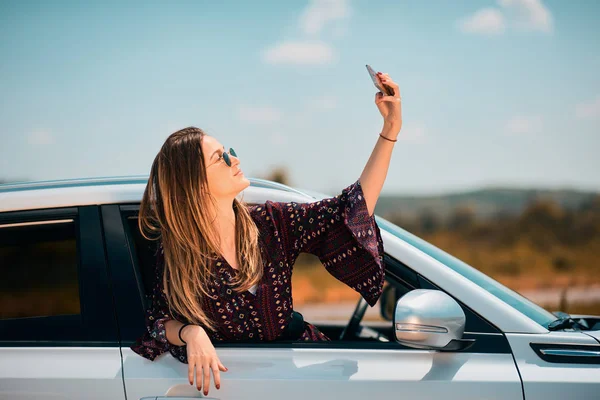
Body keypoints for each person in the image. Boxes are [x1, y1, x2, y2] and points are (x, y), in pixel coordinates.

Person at [130, 71, 402, 396]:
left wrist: (389, 131)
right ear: (196, 185)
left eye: (228, 150)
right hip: (237, 385)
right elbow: (157, 322)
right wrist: (191, 333)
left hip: (303, 372)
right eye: (221, 158)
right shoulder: (178, 256)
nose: (236, 159)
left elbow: (349, 211)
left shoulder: (271, 224)